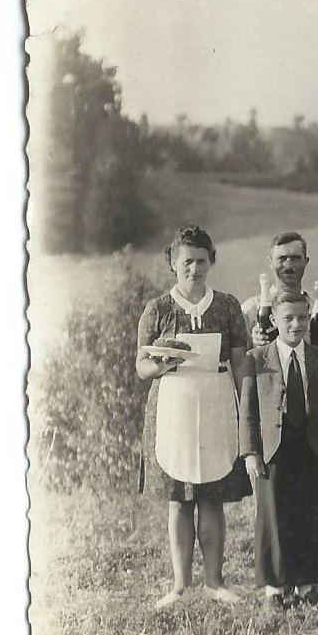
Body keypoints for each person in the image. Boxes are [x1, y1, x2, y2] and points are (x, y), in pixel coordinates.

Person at [136, 224, 254, 609]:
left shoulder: (227, 306)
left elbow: (240, 361)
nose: (194, 269)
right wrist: (160, 364)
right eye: (187, 261)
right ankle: (180, 586)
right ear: (173, 262)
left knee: (212, 497)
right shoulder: (158, 309)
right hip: (173, 404)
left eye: (202, 261)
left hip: (217, 402)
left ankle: (215, 582)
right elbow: (141, 365)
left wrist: (247, 409)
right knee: (179, 499)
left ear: (211, 262)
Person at [240, 290, 318, 611]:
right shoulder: (257, 358)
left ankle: (306, 584)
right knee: (274, 516)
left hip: (310, 446)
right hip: (275, 448)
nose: (296, 325)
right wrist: (251, 452)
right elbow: (248, 410)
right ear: (273, 320)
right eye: (288, 318)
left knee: (310, 513)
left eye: (302, 317)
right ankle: (275, 588)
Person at [241, 230, 318, 353]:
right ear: (270, 262)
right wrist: (255, 346)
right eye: (282, 259)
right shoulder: (250, 311)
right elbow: (237, 358)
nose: (288, 265)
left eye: (295, 258)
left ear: (306, 261)